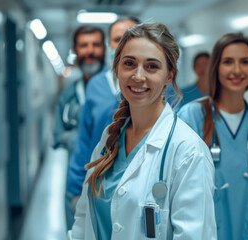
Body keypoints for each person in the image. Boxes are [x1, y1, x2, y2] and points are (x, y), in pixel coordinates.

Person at [69, 22, 216, 239]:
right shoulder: (109, 138)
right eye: (129, 63)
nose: (138, 76)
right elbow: (83, 221)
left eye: (152, 66)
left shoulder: (189, 152)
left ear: (169, 75)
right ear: (116, 69)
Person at [178, 33, 248, 240]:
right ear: (216, 68)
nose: (237, 70)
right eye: (228, 62)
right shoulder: (191, 116)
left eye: (245, 62)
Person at [65, 16, 140, 229]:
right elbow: (85, 140)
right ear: (110, 45)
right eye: (118, 39)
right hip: (101, 184)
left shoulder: (158, 84)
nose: (126, 44)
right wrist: (76, 188)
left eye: (133, 36)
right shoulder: (97, 85)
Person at [58, 25, 106, 229]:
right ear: (75, 50)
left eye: (96, 44)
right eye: (84, 45)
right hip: (78, 178)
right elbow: (58, 133)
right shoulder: (69, 93)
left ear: (105, 49)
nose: (90, 51)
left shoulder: (119, 87)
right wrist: (77, 139)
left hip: (107, 178)